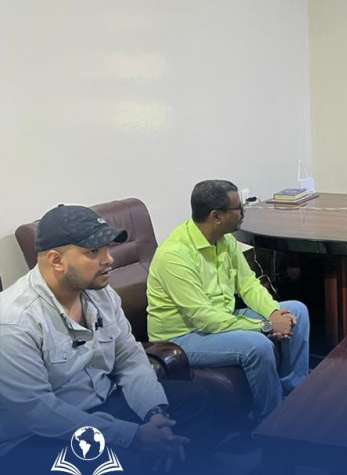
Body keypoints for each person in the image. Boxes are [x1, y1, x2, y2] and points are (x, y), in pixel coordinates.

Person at [0, 205, 207, 472]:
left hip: (105, 401)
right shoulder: (14, 322)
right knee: (116, 461)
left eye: (108, 248)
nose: (109, 259)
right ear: (56, 261)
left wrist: (154, 413)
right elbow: (38, 412)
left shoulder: (100, 292)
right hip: (41, 434)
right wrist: (132, 436)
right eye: (94, 252)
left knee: (195, 400)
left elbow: (129, 357)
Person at [146, 180, 310, 421]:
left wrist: (274, 314)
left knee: (297, 310)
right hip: (183, 336)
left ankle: (293, 392)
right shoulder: (174, 255)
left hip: (222, 318)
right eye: (238, 209)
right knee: (258, 345)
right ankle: (272, 419)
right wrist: (266, 325)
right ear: (216, 216)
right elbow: (203, 318)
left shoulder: (224, 240)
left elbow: (248, 284)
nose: (243, 213)